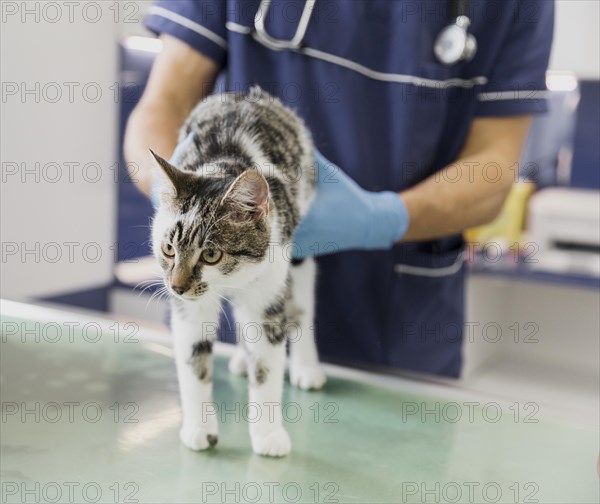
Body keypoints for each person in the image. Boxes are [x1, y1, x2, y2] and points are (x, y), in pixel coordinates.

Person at [124, 0, 554, 377]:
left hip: (397, 327)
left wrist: (379, 219)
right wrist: (178, 199)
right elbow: (160, 106)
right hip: (222, 314)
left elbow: (494, 167)